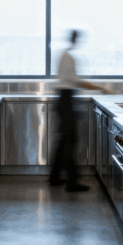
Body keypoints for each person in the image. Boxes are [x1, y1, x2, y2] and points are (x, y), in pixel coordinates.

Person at [49, 30, 111, 192]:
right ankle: (72, 182)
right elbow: (75, 80)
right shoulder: (68, 57)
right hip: (66, 99)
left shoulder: (64, 54)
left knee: (64, 140)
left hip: (64, 99)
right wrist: (99, 88)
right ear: (75, 39)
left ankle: (54, 177)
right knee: (70, 140)